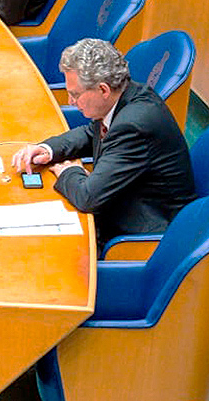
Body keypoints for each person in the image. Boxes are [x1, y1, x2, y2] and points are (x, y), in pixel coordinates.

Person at [12, 39, 195, 246]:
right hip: (124, 202)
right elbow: (92, 133)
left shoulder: (134, 125)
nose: (71, 102)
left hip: (144, 238)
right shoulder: (126, 96)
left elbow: (87, 197)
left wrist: (67, 172)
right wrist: (48, 149)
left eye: (75, 94)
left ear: (103, 89)